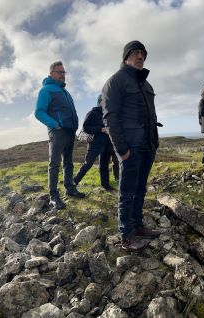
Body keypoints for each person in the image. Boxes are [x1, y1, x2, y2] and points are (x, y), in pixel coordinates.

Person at [102, 40, 162, 252]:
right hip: (130, 148)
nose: (140, 57)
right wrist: (122, 150)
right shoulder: (115, 82)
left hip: (148, 145)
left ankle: (137, 225)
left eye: (143, 54)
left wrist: (154, 140)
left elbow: (150, 115)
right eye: (136, 53)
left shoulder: (146, 85)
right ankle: (126, 236)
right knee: (127, 192)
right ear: (126, 56)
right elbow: (110, 118)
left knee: (140, 188)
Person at [34, 60, 86, 210]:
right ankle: (53, 196)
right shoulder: (46, 90)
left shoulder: (65, 91)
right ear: (51, 73)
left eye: (64, 72)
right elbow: (39, 112)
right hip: (57, 132)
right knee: (55, 164)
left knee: (68, 162)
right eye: (60, 72)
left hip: (70, 132)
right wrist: (54, 125)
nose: (63, 75)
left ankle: (70, 189)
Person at [73, 95, 119, 191]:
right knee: (88, 164)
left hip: (107, 144)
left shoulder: (109, 114)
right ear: (100, 102)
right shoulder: (93, 113)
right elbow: (86, 127)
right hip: (95, 144)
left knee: (104, 166)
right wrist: (100, 129)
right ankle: (74, 182)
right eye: (105, 101)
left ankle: (106, 186)